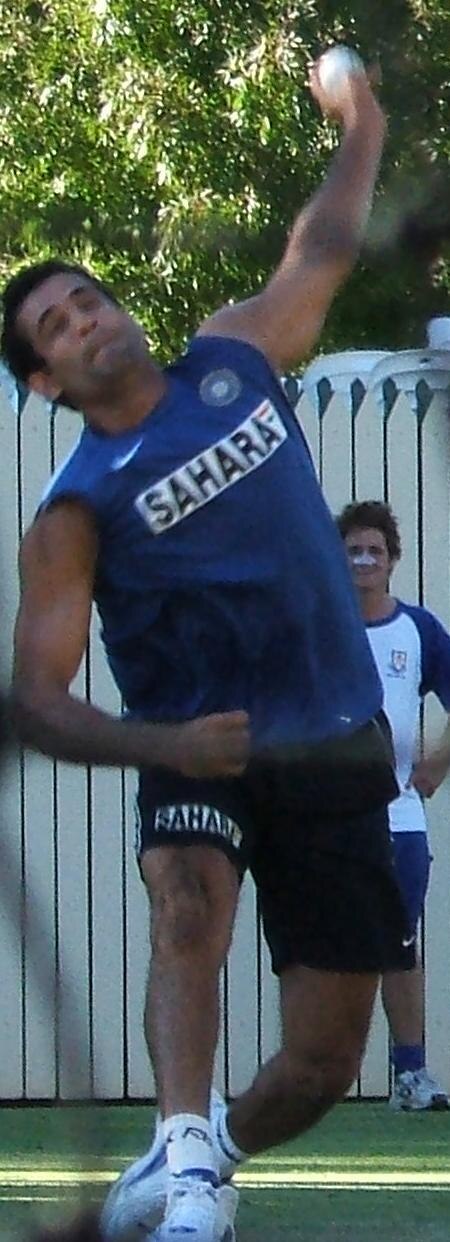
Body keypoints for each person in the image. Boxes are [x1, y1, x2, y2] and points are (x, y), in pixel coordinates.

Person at [4, 60, 412, 1242]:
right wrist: (161, 741)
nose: (86, 320)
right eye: (57, 326)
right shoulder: (72, 514)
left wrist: (365, 123)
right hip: (203, 750)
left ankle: (200, 1156)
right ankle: (190, 1177)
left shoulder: (233, 361)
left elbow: (323, 247)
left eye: (88, 298)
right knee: (187, 906)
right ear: (44, 380)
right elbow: (39, 698)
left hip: (336, 745)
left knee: (323, 1065)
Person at [338, 499, 450, 1111]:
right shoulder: (318, 629)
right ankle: (317, 1077)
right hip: (328, 821)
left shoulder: (419, 631)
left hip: (399, 819)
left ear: (391, 561)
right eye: (352, 551)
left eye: (373, 551)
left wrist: (435, 765)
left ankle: (410, 1074)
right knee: (326, 948)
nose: (362, 561)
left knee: (398, 941)